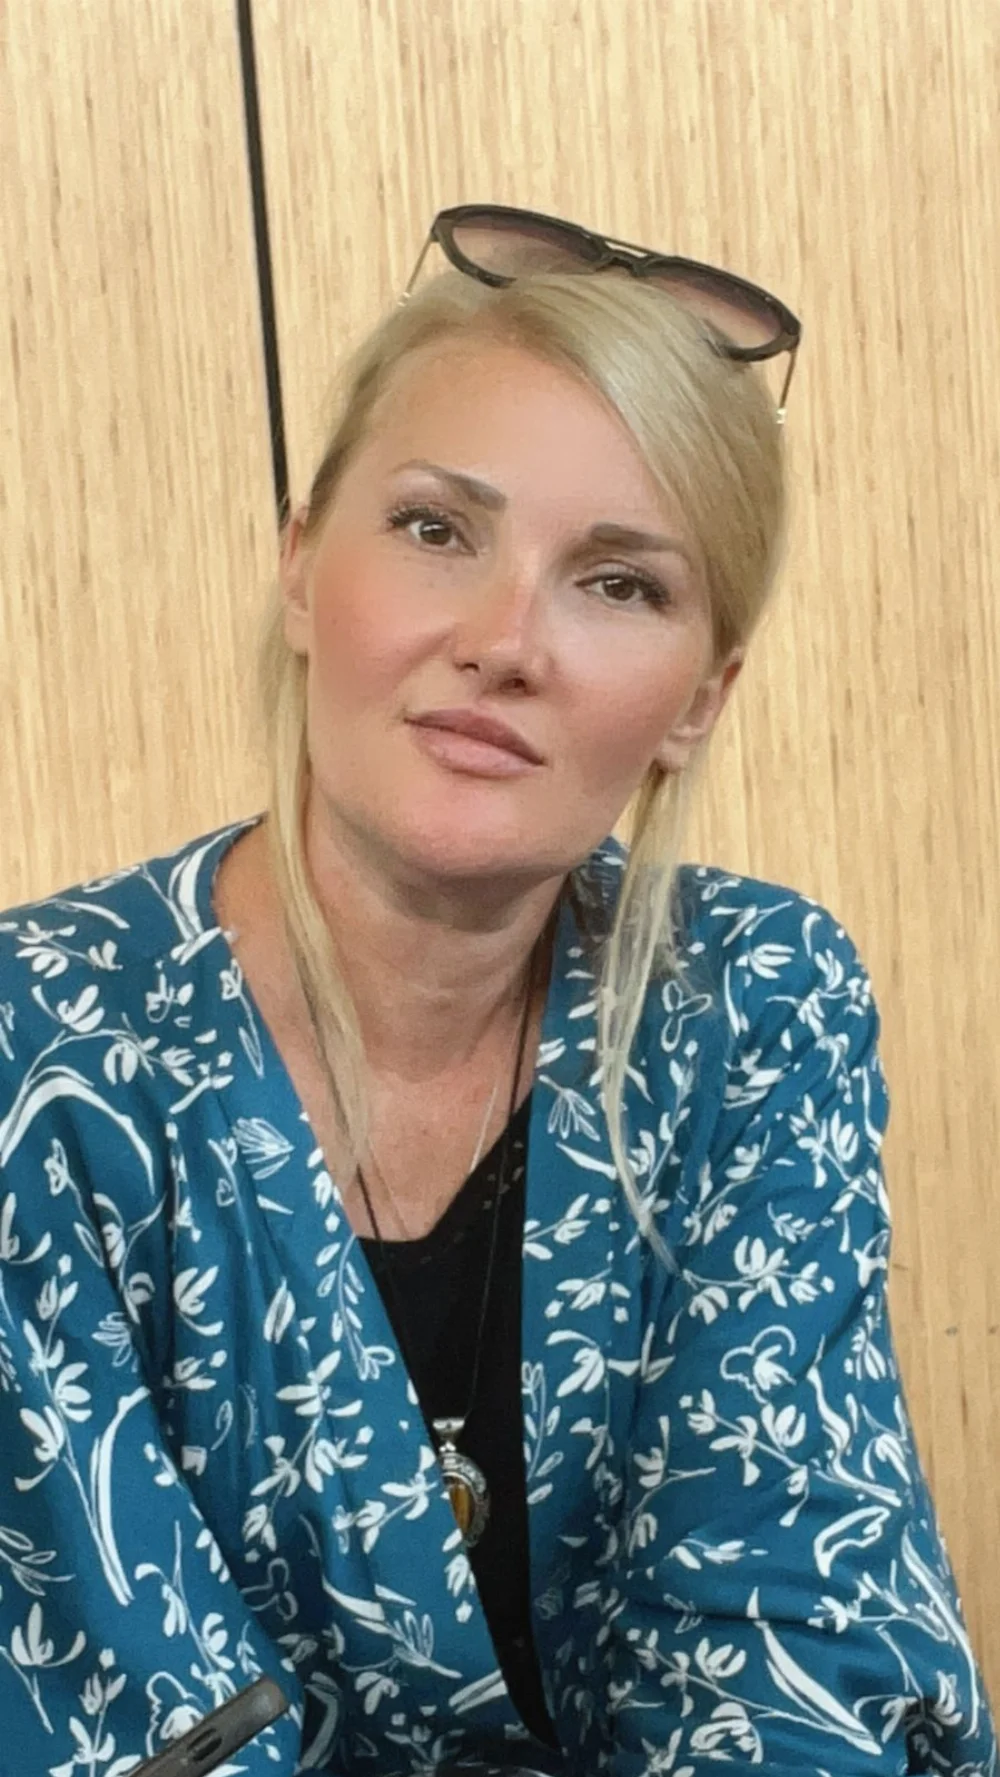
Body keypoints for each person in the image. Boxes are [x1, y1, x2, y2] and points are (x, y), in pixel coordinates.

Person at [0, 203, 994, 1777]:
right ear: (300, 566)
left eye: (619, 584)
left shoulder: (753, 1002)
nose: (502, 640)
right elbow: (116, 1720)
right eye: (436, 530)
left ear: (701, 698)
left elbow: (792, 1632)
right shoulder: (36, 1055)